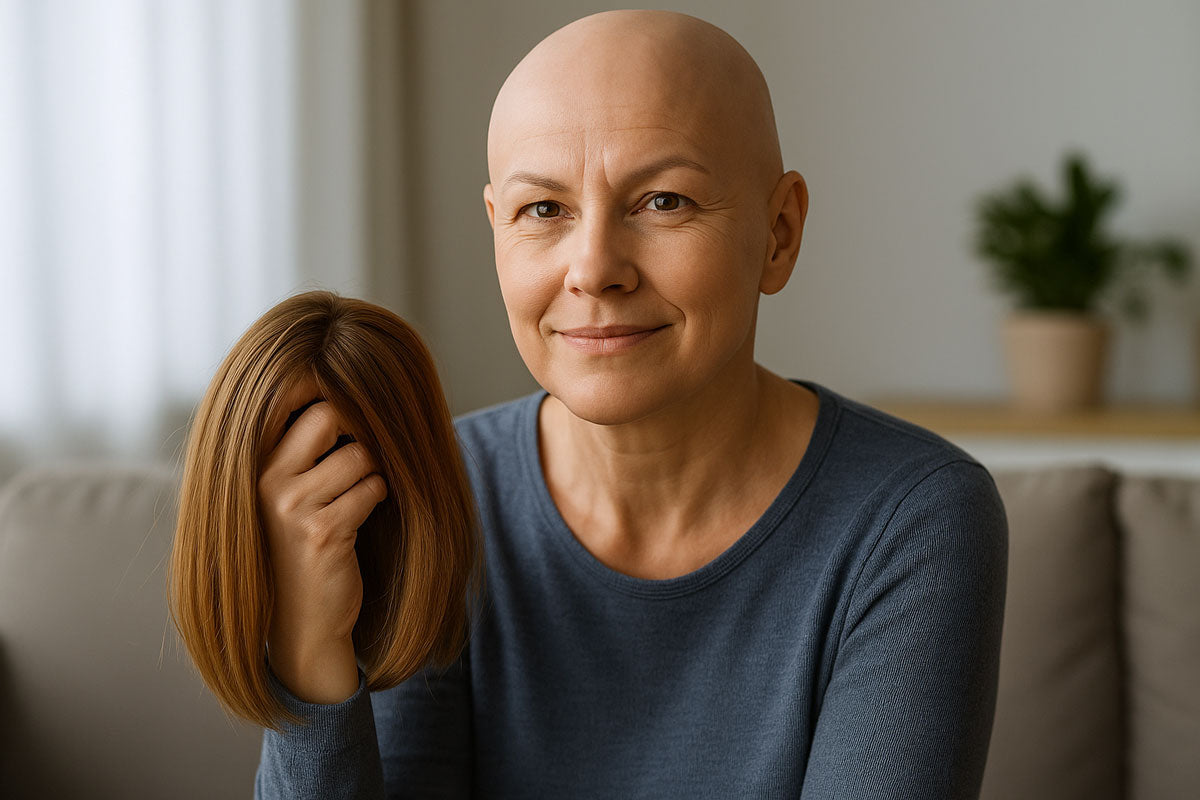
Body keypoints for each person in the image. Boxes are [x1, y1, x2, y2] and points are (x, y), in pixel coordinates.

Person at [254, 9, 1008, 799]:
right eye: (542, 211)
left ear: (778, 234)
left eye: (664, 202)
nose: (594, 269)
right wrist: (309, 646)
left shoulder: (912, 520)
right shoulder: (434, 495)